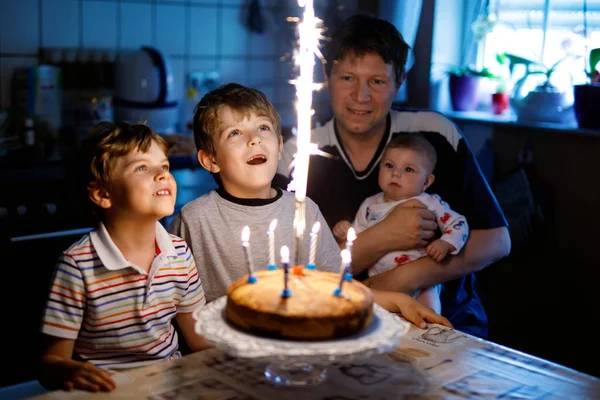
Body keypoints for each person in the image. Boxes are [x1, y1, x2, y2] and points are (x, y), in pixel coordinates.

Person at [275, 14, 511, 337]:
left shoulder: (435, 134)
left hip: (449, 322)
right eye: (347, 78)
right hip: (344, 323)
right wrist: (383, 237)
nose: (361, 96)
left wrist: (406, 278)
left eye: (377, 81)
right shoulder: (296, 155)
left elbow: (496, 240)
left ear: (399, 83)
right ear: (326, 77)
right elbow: (285, 272)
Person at [168, 82, 452, 329]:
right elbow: (177, 314)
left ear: (280, 146)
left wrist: (395, 300)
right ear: (210, 160)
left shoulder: (304, 211)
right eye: (235, 133)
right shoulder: (193, 221)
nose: (254, 139)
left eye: (262, 127)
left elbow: (331, 288)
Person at [38, 122, 212, 393]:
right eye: (142, 167)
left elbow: (199, 339)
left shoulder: (179, 252)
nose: (162, 175)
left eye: (164, 166)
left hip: (168, 388)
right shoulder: (77, 265)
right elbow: (50, 363)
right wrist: (67, 370)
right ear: (102, 194)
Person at [333, 133, 469, 313]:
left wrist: (445, 244)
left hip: (421, 285)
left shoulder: (429, 203)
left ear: (427, 181)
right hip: (382, 283)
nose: (395, 174)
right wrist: (346, 230)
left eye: (408, 170)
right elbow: (358, 236)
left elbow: (459, 223)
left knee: (427, 317)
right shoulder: (370, 205)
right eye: (389, 166)